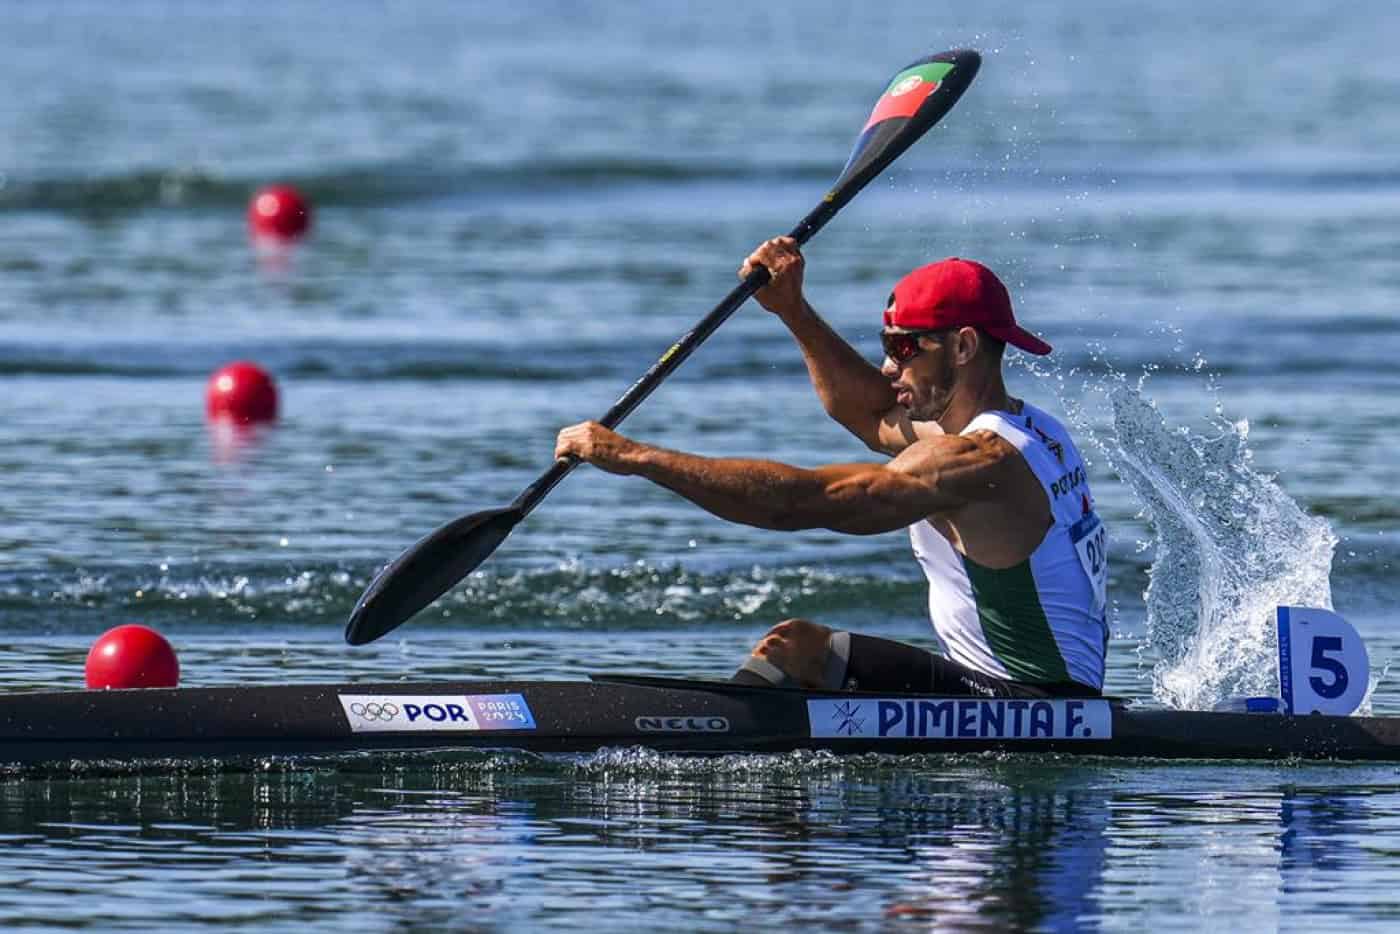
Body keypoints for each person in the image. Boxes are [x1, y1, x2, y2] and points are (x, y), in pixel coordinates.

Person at [555, 237, 1109, 698]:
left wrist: (637, 458)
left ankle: (705, 744)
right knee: (802, 653)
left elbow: (800, 505)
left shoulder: (978, 460)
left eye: (903, 347)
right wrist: (791, 308)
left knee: (797, 652)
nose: (890, 367)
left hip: (1036, 707)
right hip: (1020, 695)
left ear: (962, 347)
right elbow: (868, 412)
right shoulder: (1030, 430)